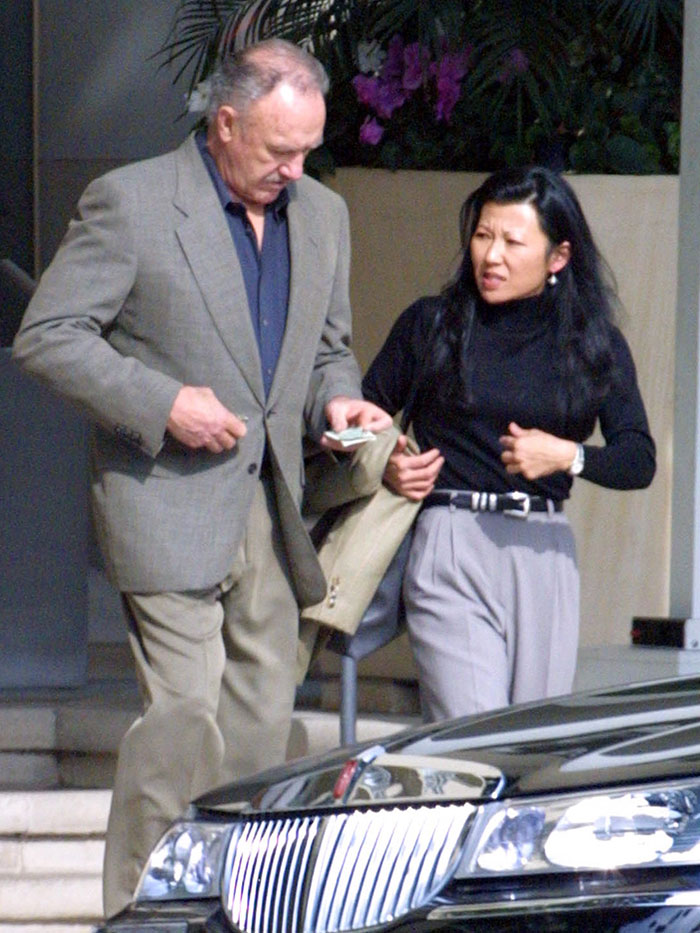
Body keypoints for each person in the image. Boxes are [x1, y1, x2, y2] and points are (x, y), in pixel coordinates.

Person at [12, 39, 390, 917]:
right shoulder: (134, 201)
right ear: (224, 123)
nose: (294, 170)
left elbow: (329, 349)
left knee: (258, 735)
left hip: (275, 508)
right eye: (277, 151)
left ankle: (236, 904)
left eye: (307, 151)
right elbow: (50, 334)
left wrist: (341, 403)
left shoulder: (323, 216)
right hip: (167, 502)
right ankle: (139, 910)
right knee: (184, 720)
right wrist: (161, 400)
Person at [362, 165, 655, 724]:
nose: (491, 256)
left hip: (544, 552)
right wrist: (387, 463)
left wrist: (568, 455)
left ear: (558, 257)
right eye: (482, 235)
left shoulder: (594, 345)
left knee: (530, 744)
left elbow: (638, 459)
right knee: (474, 736)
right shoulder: (432, 325)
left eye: (512, 241)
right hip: (451, 538)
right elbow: (362, 417)